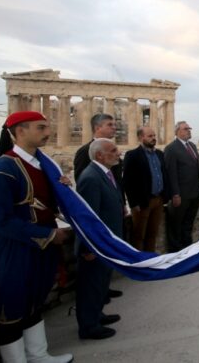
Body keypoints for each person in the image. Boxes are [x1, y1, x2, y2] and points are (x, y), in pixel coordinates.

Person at [0, 111, 73, 362]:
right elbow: (0, 221)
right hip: (12, 252)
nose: (48, 133)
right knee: (12, 310)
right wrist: (47, 234)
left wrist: (64, 189)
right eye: (40, 128)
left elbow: (46, 204)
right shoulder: (1, 169)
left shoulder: (44, 165)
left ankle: (39, 356)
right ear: (20, 131)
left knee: (33, 302)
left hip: (38, 249)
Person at [75, 139, 124, 340]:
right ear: (99, 156)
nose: (118, 153)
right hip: (96, 245)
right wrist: (88, 248)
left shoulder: (104, 173)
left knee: (101, 282)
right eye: (113, 151)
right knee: (91, 285)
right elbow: (88, 217)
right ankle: (88, 326)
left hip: (106, 242)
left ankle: (97, 315)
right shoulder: (91, 178)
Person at [73, 113, 123, 300]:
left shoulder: (112, 151)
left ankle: (103, 290)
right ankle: (95, 301)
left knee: (105, 262)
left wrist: (121, 202)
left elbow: (117, 181)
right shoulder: (85, 152)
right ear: (97, 128)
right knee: (94, 270)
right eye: (110, 124)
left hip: (112, 209)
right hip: (98, 214)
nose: (114, 128)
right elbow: (83, 188)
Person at [123, 126, 169, 252]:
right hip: (142, 202)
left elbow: (164, 174)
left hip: (158, 200)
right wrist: (133, 203)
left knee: (152, 234)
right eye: (150, 136)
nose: (153, 138)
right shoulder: (132, 155)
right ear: (141, 137)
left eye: (154, 135)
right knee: (138, 236)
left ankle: (151, 261)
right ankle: (138, 265)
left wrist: (166, 196)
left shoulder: (159, 154)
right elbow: (127, 181)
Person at [164, 121, 199, 252]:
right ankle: (176, 251)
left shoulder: (192, 146)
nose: (189, 130)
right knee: (176, 224)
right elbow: (171, 173)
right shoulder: (171, 148)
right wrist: (175, 194)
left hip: (194, 192)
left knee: (188, 223)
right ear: (177, 132)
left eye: (189, 128)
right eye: (186, 129)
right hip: (181, 194)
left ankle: (188, 248)